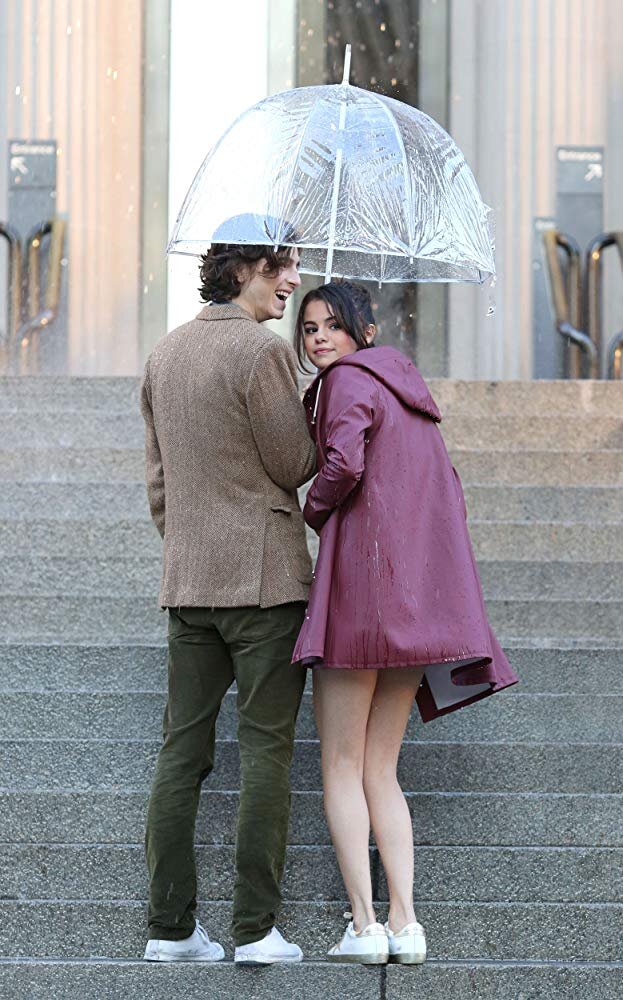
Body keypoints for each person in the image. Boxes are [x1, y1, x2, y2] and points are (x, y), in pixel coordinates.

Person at [292, 281, 518, 965]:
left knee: (341, 763)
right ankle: (406, 922)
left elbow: (344, 463)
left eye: (332, 325)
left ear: (364, 331)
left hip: (358, 601)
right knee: (380, 769)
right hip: (412, 607)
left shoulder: (346, 381)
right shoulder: (411, 394)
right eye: (309, 328)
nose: (319, 338)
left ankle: (364, 926)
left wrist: (310, 510)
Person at [140, 241, 315, 964]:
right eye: (282, 267)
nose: (294, 281)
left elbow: (158, 482)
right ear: (243, 271)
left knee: (181, 753)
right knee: (266, 751)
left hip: (188, 584)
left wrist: (190, 542)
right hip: (264, 586)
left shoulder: (165, 353)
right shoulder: (262, 351)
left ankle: (169, 930)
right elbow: (293, 463)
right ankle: (254, 931)